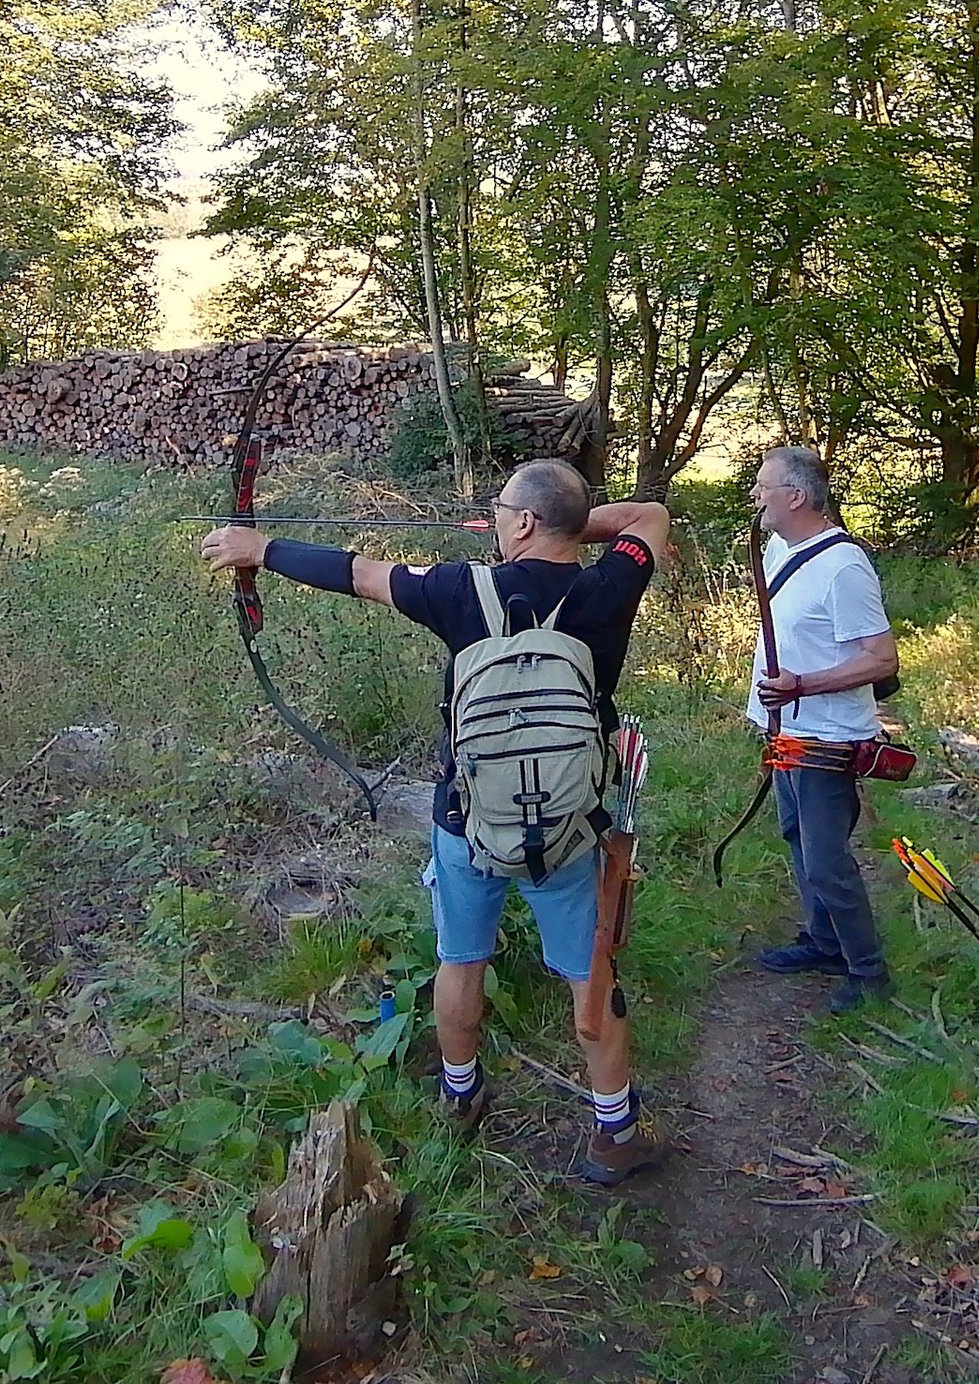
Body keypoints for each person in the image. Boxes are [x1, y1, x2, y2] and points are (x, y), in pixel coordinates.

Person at [200, 459, 672, 1184]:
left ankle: (460, 1094)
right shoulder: (610, 584)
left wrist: (260, 549)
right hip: (572, 827)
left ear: (523, 522)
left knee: (462, 958)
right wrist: (572, 525)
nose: (496, 519)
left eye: (504, 511)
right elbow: (648, 517)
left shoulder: (459, 590)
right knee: (590, 970)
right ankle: (615, 1131)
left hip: (466, 818)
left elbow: (357, 573)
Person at [744, 445, 901, 1013]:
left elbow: (881, 659)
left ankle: (868, 972)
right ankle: (823, 942)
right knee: (798, 839)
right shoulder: (779, 548)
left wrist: (802, 686)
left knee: (827, 860)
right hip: (787, 731)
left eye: (764, 486)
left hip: (826, 738)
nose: (755, 495)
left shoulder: (844, 568)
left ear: (796, 497)